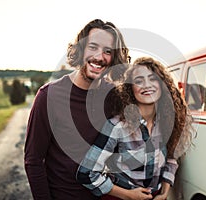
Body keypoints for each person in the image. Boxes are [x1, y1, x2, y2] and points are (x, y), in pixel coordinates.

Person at [24, 19, 130, 200]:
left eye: (107, 51)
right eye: (93, 47)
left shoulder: (114, 96)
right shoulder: (49, 97)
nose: (99, 57)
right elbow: (33, 161)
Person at [76, 57, 193, 200]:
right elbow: (86, 173)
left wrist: (164, 191)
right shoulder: (117, 126)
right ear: (130, 89)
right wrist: (128, 195)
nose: (146, 85)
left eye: (153, 79)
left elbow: (171, 158)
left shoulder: (166, 122)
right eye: (138, 81)